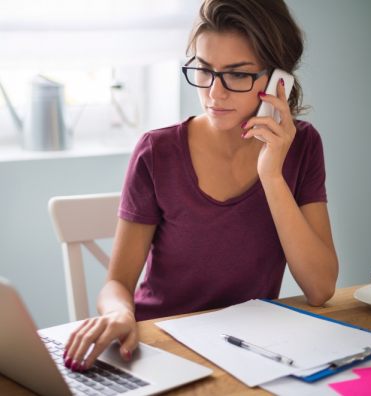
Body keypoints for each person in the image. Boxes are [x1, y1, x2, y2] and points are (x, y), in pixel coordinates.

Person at [63, 0, 338, 373]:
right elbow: (117, 283)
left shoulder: (301, 146)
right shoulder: (156, 152)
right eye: (204, 70)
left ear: (279, 81)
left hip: (248, 350)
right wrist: (119, 314)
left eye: (237, 75)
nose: (214, 93)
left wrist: (272, 175)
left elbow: (320, 289)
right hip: (160, 344)